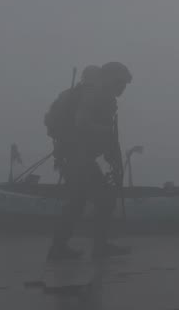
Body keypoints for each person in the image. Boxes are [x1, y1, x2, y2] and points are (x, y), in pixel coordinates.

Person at [47, 61, 133, 261]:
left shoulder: (96, 95)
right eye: (121, 83)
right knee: (104, 200)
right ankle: (98, 248)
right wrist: (106, 132)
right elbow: (82, 122)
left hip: (74, 157)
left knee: (77, 201)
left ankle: (59, 247)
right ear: (112, 80)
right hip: (78, 158)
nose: (123, 88)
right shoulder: (93, 94)